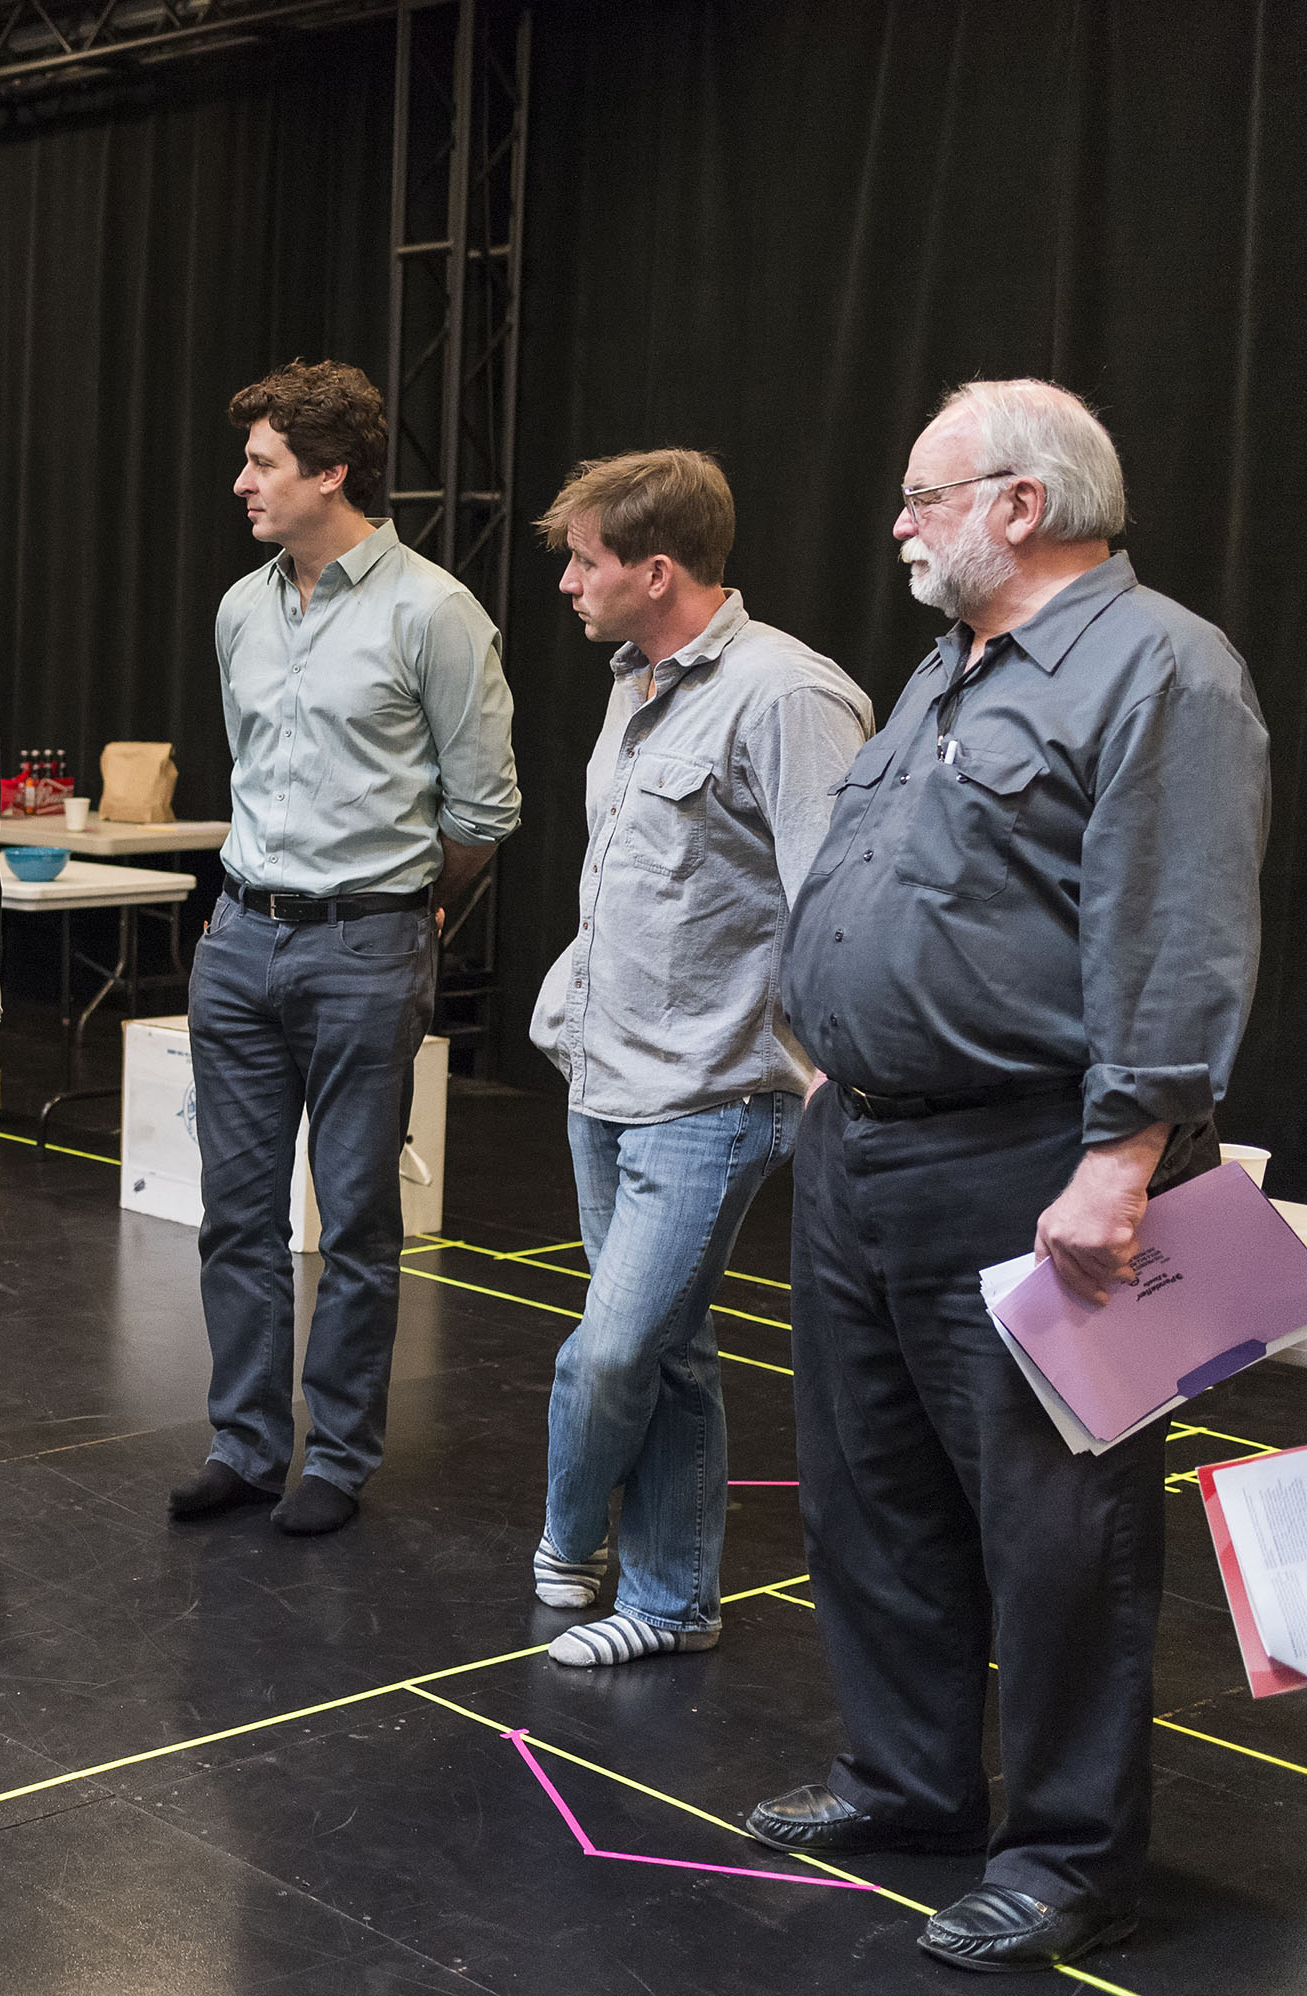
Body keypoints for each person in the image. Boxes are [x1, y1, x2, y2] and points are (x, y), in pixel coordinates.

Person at [748, 381, 1267, 1976]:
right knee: (870, 1493)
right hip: (862, 1146)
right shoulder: (943, 670)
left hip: (1029, 1160)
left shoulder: (1162, 664)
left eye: (924, 495)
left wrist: (1121, 1158)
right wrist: (833, 1059)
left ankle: (1064, 1855)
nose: (898, 522)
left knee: (1058, 1536)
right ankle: (909, 1782)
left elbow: (1175, 926)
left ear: (1021, 505)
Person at [524, 450, 870, 1666]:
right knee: (666, 1348)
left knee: (615, 1346)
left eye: (586, 559)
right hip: (601, 1072)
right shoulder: (635, 680)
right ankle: (672, 1600)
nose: (567, 580)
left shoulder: (787, 697)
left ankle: (568, 1534)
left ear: (656, 570)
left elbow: (837, 904)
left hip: (714, 1095)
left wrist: (834, 1080)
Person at [172, 359, 521, 1535]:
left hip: (368, 945)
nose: (243, 484)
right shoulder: (240, 607)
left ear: (332, 472)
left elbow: (481, 812)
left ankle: (338, 1458)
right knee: (235, 1211)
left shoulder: (432, 610)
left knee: (359, 1215)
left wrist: (412, 909)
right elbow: (251, 768)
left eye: (263, 462)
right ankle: (247, 1442)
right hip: (237, 937)